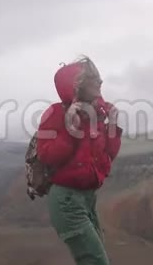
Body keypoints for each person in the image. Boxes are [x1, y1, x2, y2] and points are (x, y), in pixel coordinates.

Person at [36, 56, 122, 265]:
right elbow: (46, 155)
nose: (100, 82)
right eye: (94, 78)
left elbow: (109, 153)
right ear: (78, 84)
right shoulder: (56, 113)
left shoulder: (98, 114)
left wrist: (113, 125)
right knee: (96, 261)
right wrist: (70, 130)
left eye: (99, 77)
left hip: (87, 198)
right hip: (66, 201)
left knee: (95, 259)